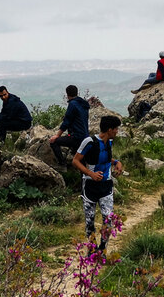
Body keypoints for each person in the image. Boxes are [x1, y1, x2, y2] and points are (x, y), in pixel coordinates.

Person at [72, 115, 124, 254]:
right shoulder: (89, 141)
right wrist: (91, 174)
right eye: (116, 129)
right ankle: (92, 248)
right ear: (109, 129)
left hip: (106, 186)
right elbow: (76, 160)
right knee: (90, 221)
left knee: (108, 219)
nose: (117, 131)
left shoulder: (109, 143)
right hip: (89, 186)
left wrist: (116, 162)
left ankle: (102, 250)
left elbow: (106, 158)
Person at [49, 85, 90, 167]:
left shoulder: (73, 104)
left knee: (54, 142)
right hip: (85, 137)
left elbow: (66, 122)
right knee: (80, 161)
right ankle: (84, 178)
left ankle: (62, 164)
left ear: (67, 94)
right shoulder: (83, 104)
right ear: (77, 93)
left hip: (76, 137)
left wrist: (57, 135)